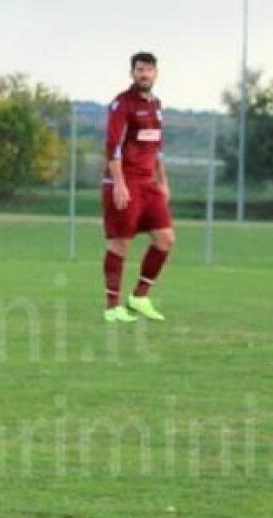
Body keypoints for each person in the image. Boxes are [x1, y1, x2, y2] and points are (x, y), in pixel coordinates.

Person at [101, 51, 174, 323]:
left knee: (165, 238)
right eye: (140, 69)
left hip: (148, 183)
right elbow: (113, 146)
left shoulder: (156, 105)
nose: (145, 74)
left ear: (156, 73)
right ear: (132, 72)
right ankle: (112, 307)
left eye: (149, 70)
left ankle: (140, 296)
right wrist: (119, 183)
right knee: (120, 243)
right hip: (125, 180)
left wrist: (162, 182)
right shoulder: (122, 104)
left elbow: (157, 149)